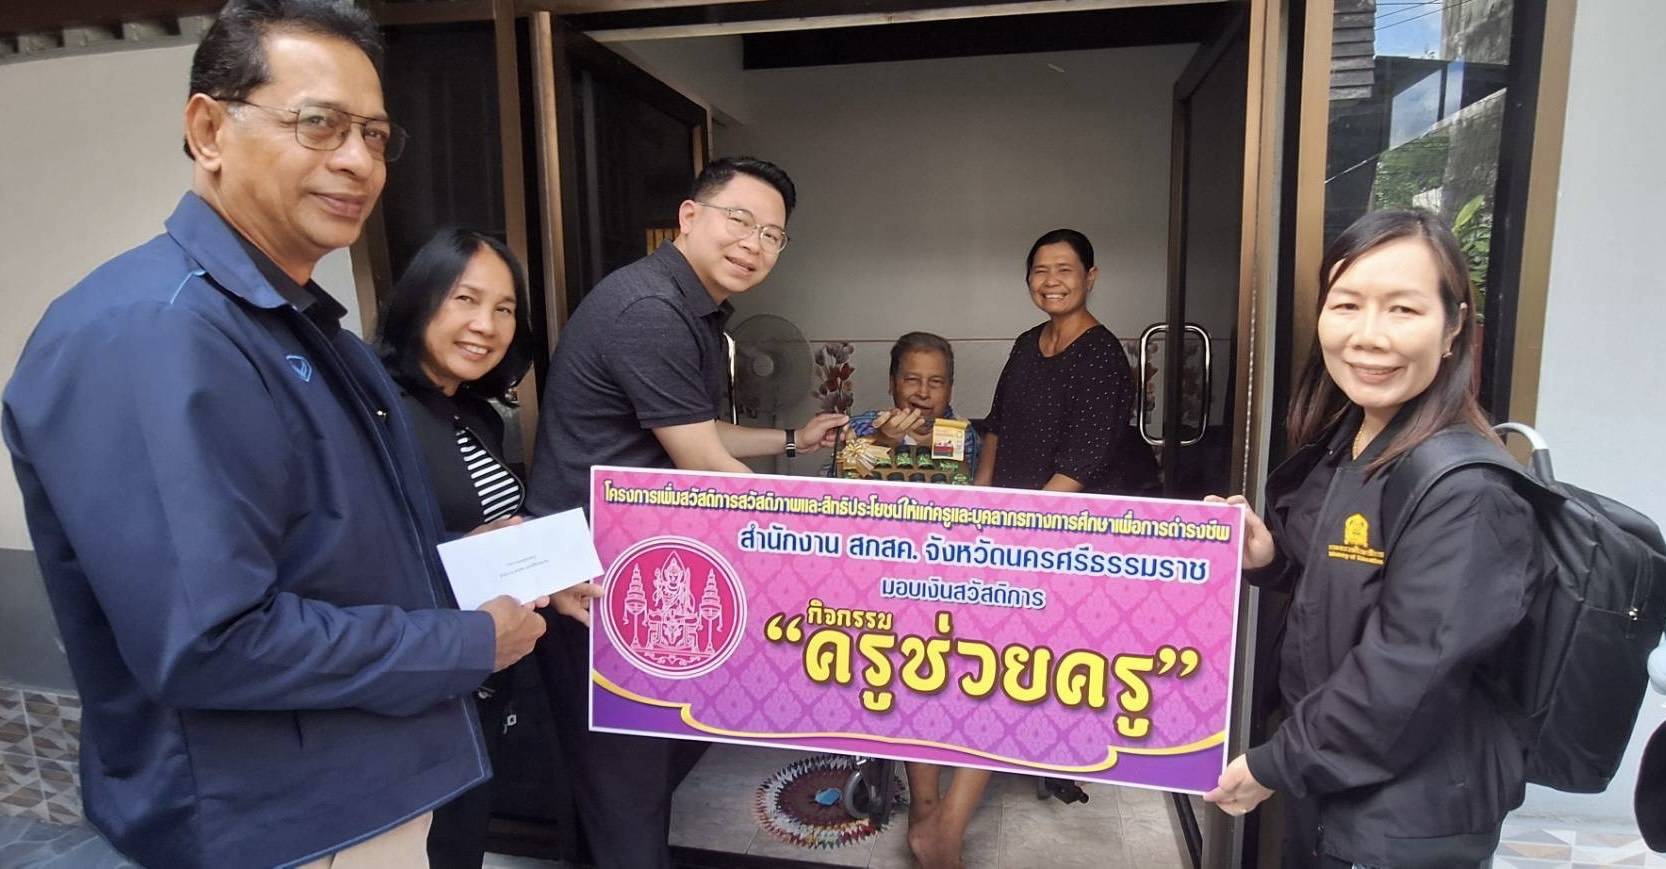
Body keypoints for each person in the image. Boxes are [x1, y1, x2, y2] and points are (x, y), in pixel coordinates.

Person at [1, 3, 549, 867]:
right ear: (208, 130)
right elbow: (213, 641)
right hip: (285, 826)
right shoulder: (154, 333)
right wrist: (471, 642)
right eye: (318, 123)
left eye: (374, 134)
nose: (357, 160)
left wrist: (489, 563)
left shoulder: (305, 330)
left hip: (366, 790)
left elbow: (332, 564)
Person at [525, 156, 847, 868]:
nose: (754, 244)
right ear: (690, 215)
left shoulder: (689, 308)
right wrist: (817, 542)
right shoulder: (651, 308)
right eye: (740, 220)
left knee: (631, 780)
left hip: (631, 566)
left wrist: (792, 440)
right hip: (591, 581)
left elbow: (697, 431)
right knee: (627, 788)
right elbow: (702, 460)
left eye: (772, 235)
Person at [1202, 210, 1541, 868]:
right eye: (1347, 304)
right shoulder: (1351, 441)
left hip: (1405, 822)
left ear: (1454, 329)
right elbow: (1346, 586)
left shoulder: (1471, 492)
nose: (1368, 336)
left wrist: (1278, 761)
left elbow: (1410, 670)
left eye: (1403, 309)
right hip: (1337, 789)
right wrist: (1269, 559)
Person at [374, 228, 604, 868]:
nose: (486, 325)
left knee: (461, 842)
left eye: (504, 308)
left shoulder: (473, 414)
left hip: (481, 679)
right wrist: (465, 552)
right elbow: (373, 556)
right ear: (420, 299)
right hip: (416, 687)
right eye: (465, 299)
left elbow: (489, 539)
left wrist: (549, 579)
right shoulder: (376, 412)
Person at [974, 228, 1158, 496]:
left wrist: (1031, 514)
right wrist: (981, 495)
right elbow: (997, 424)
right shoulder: (1027, 343)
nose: (1051, 281)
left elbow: (1081, 465)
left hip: (1067, 512)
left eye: (1064, 270)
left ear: (1090, 277)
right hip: (1010, 506)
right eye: (1040, 271)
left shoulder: (1102, 355)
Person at [829, 331, 982, 477]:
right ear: (892, 384)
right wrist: (881, 441)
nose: (923, 393)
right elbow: (832, 487)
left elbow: (971, 489)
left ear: (950, 390)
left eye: (936, 382)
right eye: (912, 380)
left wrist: (936, 446)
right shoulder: (857, 427)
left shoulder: (964, 436)